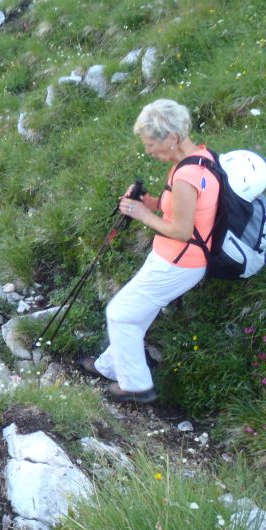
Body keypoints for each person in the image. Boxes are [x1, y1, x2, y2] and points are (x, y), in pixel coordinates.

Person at [79, 99, 220, 403]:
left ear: (172, 138)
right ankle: (110, 366)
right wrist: (151, 203)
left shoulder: (185, 177)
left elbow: (182, 232)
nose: (148, 150)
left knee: (119, 314)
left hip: (177, 263)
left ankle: (136, 386)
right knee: (137, 313)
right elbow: (188, 214)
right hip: (176, 259)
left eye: (151, 143)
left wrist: (141, 215)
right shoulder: (199, 159)